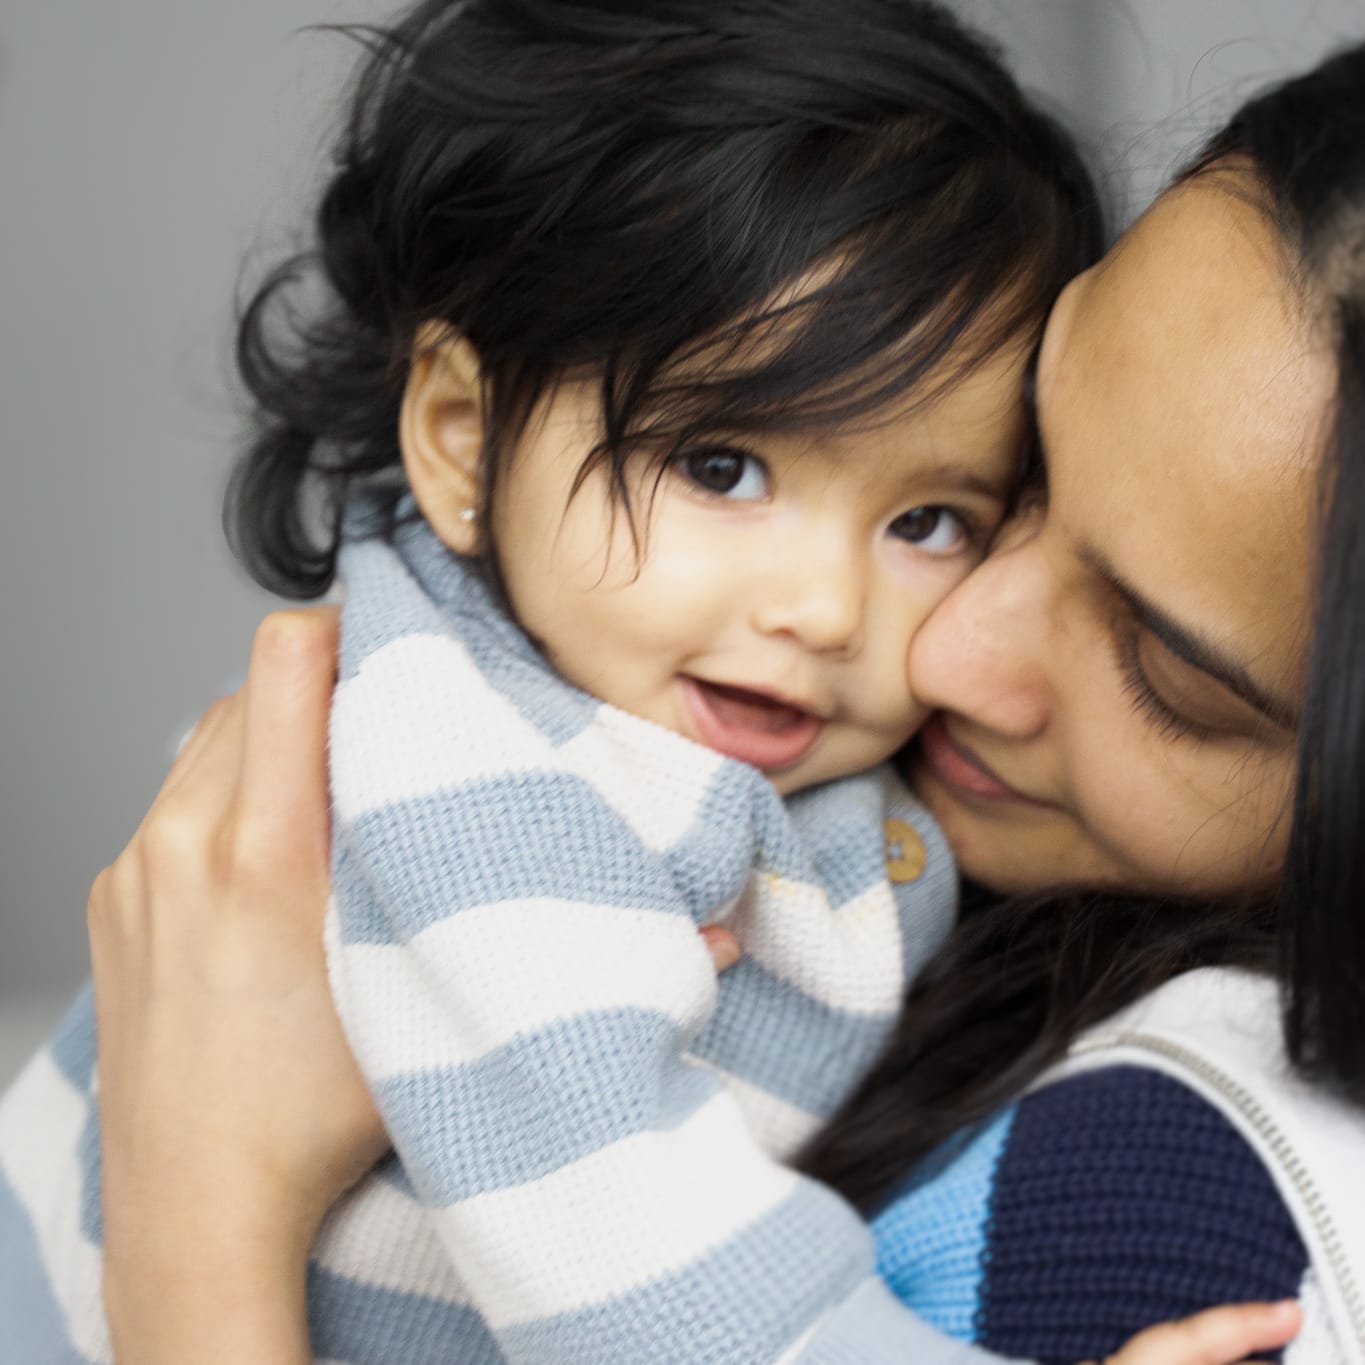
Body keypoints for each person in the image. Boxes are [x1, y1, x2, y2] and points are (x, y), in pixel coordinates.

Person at [0, 3, 1347, 1364]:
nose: (842, 616)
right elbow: (636, 1253)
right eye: (720, 467)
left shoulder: (1196, 1148)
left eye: (934, 513)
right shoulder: (471, 770)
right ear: (462, 437)